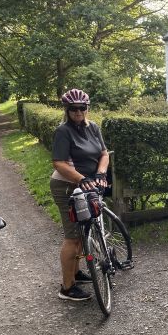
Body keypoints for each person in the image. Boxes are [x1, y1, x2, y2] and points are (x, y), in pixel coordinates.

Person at [50, 89, 109, 301]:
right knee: (73, 238)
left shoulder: (93, 127)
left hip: (88, 185)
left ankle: (75, 273)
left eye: (82, 107)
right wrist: (81, 179)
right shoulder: (63, 131)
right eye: (73, 108)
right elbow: (59, 163)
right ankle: (67, 288)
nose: (78, 111)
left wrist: (100, 173)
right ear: (67, 110)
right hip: (66, 186)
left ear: (87, 108)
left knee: (84, 231)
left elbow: (104, 153)